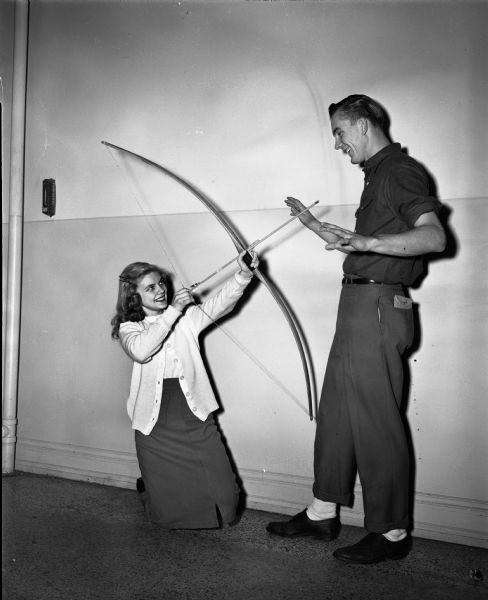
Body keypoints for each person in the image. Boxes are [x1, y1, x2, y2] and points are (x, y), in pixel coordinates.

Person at [266, 94, 446, 564]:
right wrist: (312, 224)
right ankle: (323, 512)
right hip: (358, 300)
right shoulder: (377, 176)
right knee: (337, 414)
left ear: (362, 126)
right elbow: (360, 244)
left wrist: (369, 239)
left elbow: (433, 236)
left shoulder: (400, 171)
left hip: (380, 305)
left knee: (375, 421)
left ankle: (391, 534)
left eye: (340, 133)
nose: (338, 144)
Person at [111, 250, 259, 529]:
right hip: (154, 421)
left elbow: (221, 304)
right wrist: (173, 312)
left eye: (162, 283)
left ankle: (155, 490)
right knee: (165, 513)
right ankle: (148, 492)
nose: (160, 291)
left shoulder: (187, 319)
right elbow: (142, 351)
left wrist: (244, 274)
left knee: (227, 496)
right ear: (134, 295)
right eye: (150, 287)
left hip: (192, 410)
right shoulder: (129, 327)